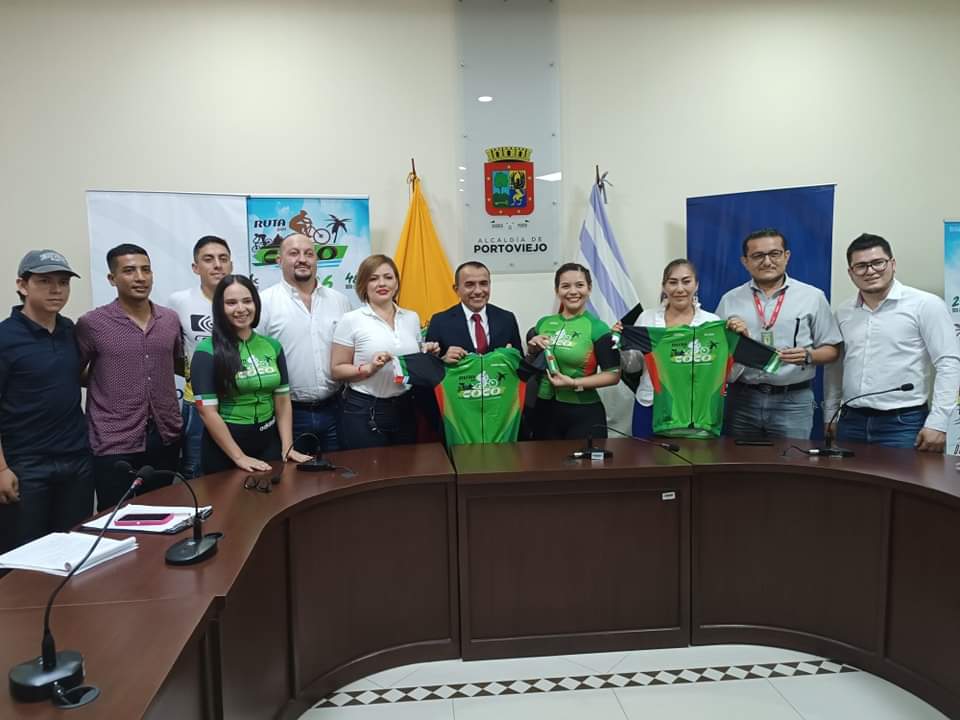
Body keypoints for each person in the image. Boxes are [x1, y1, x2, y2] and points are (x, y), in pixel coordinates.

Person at [825, 233, 960, 451]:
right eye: (861, 266)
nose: (870, 271)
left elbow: (949, 363)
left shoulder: (925, 305)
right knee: (847, 475)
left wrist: (939, 422)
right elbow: (836, 367)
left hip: (903, 424)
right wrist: (830, 414)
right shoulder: (843, 312)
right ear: (851, 273)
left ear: (892, 264)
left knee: (905, 476)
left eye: (878, 262)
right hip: (850, 422)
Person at [77, 244, 183, 511]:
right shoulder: (93, 323)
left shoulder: (170, 319)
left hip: (165, 435)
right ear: (112, 278)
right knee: (116, 518)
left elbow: (179, 364)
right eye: (129, 271)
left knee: (164, 514)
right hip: (114, 439)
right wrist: (108, 380)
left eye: (146, 270)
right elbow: (73, 372)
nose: (140, 277)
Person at [0, 250, 92, 553]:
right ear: (22, 285)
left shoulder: (70, 330)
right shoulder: (5, 337)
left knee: (73, 552)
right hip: (25, 465)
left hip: (76, 460)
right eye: (45, 281)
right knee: (22, 557)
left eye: (63, 282)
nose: (56, 290)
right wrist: (1, 470)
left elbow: (76, 376)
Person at [716, 228, 842, 440]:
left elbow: (832, 350)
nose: (767, 262)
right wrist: (736, 340)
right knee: (740, 459)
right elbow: (716, 352)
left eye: (774, 254)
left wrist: (808, 355)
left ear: (786, 256)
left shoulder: (812, 297)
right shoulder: (730, 300)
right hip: (742, 399)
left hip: (793, 401)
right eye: (758, 256)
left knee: (791, 458)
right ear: (745, 261)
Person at [190, 275, 312, 473]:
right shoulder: (207, 351)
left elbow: (282, 400)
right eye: (231, 303)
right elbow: (207, 412)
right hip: (225, 448)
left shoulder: (273, 346)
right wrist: (239, 457)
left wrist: (287, 446)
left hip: (268, 441)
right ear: (219, 308)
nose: (241, 309)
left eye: (247, 301)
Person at [258, 233, 352, 455]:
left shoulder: (340, 301)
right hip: (288, 413)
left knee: (341, 470)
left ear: (316, 260)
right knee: (292, 474)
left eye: (309, 254)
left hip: (336, 409)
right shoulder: (263, 303)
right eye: (294, 253)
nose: (302, 259)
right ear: (279, 260)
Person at [331, 254, 435, 449]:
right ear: (363, 284)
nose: (382, 283)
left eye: (388, 277)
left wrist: (427, 352)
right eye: (373, 278)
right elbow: (337, 370)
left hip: (405, 407)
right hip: (364, 409)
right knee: (368, 466)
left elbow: (411, 360)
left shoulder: (411, 317)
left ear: (396, 283)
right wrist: (368, 368)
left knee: (405, 466)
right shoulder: (351, 319)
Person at [528, 263, 621, 440]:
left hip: (583, 413)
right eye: (565, 286)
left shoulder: (598, 328)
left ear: (589, 288)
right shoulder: (543, 323)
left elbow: (613, 375)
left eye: (579, 285)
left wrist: (573, 382)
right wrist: (532, 348)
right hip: (544, 410)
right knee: (543, 458)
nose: (573, 291)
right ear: (557, 290)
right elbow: (532, 363)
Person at [167, 236, 234, 478]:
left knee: (237, 469)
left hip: (238, 401)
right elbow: (172, 351)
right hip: (198, 402)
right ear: (196, 267)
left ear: (231, 265)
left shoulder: (244, 299)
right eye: (208, 259)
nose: (217, 265)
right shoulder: (179, 301)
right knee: (196, 472)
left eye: (223, 258)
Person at [631, 259, 720, 436]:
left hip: (694, 410)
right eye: (673, 282)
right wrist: (622, 342)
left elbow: (720, 370)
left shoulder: (712, 322)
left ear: (696, 285)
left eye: (686, 281)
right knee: (644, 453)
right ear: (664, 287)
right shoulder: (646, 319)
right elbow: (632, 367)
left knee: (693, 454)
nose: (680, 289)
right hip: (650, 404)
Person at [425, 261, 522, 362]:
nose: (478, 291)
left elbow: (521, 365)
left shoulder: (507, 319)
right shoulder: (439, 322)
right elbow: (428, 365)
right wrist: (443, 361)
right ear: (456, 290)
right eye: (470, 285)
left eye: (483, 284)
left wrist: (514, 357)